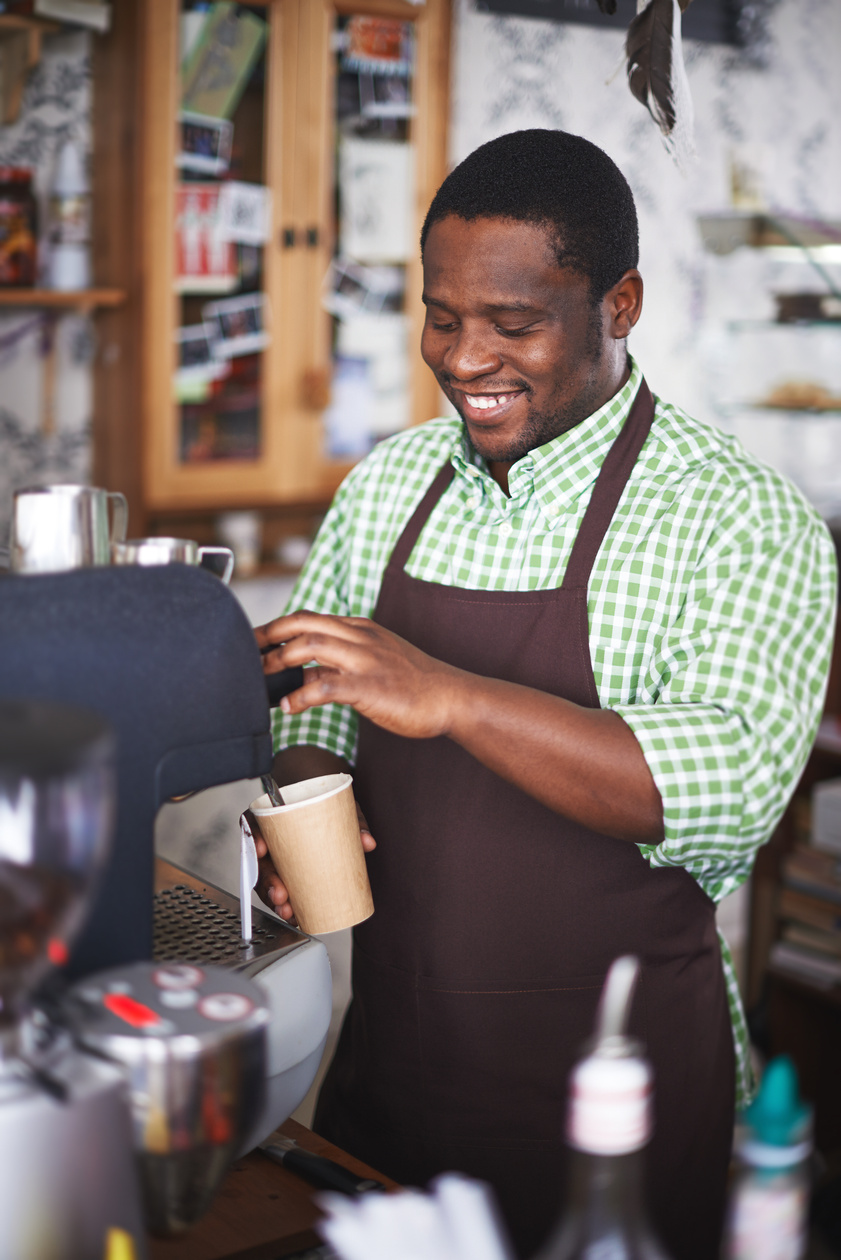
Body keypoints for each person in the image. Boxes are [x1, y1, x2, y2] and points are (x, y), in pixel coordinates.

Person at [253, 130, 837, 1259]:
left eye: (513, 324)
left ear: (618, 304)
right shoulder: (389, 486)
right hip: (391, 1072)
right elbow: (311, 704)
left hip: (614, 1104)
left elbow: (723, 787)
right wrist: (304, 805)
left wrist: (450, 695)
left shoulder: (737, 517)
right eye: (441, 315)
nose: (465, 358)